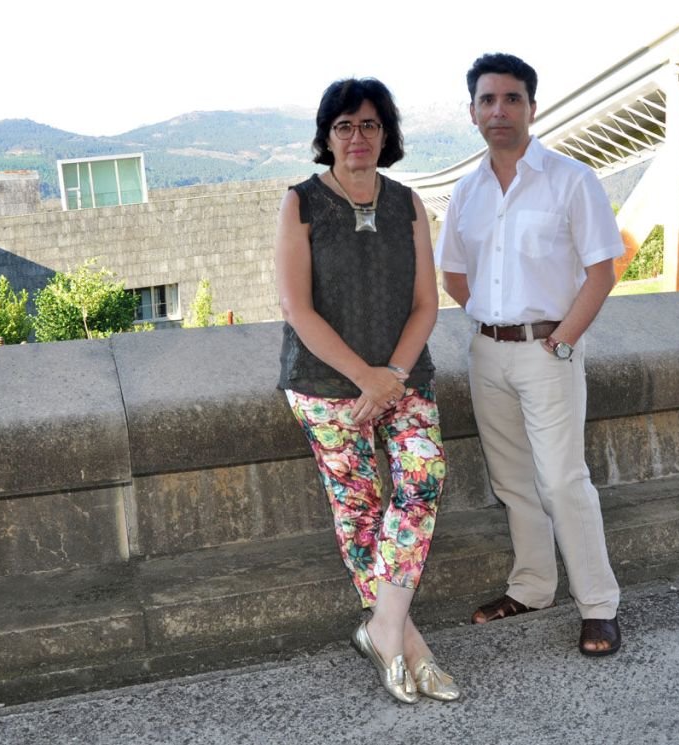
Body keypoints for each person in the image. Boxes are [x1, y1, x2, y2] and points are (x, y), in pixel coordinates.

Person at [275, 77, 459, 702]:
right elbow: (298, 310)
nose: (358, 137)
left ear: (388, 135)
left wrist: (392, 379)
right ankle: (409, 644)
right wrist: (366, 379)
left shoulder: (408, 203)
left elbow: (426, 304)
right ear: (327, 137)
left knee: (424, 476)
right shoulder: (300, 202)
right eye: (345, 126)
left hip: (404, 376)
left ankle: (382, 628)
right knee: (359, 512)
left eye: (370, 125)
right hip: (327, 385)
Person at [435, 53, 623, 656]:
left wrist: (562, 338)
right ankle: (534, 587)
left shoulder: (572, 179)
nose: (499, 110)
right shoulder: (466, 191)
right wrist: (489, 324)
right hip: (488, 354)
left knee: (564, 480)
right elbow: (454, 275)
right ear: (472, 112)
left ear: (531, 108)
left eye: (511, 98)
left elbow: (603, 271)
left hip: (550, 350)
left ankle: (598, 606)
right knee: (513, 482)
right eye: (487, 100)